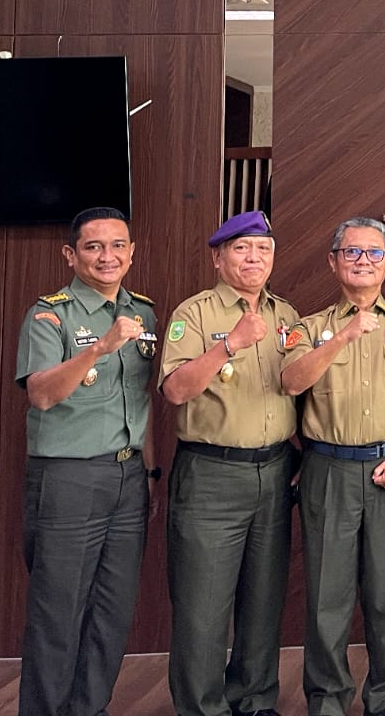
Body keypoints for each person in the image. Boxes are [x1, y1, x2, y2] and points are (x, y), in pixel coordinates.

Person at [281, 217, 385, 716]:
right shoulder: (310, 327)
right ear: (333, 262)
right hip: (328, 470)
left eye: (374, 253)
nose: (363, 261)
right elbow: (291, 383)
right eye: (351, 252)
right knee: (326, 597)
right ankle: (328, 698)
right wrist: (344, 336)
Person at [15, 206, 158, 716]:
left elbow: (141, 399)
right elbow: (41, 394)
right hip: (69, 478)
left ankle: (90, 709)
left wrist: (150, 472)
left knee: (110, 614)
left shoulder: (144, 313)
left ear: (132, 253)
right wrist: (98, 349)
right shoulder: (50, 314)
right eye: (94, 246)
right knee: (58, 613)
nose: (107, 256)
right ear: (70, 255)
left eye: (118, 245)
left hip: (128, 476)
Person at [160, 209, 299, 716]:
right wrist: (229, 345)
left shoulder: (287, 315)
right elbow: (176, 390)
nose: (254, 257)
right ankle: (202, 708)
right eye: (241, 248)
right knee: (202, 606)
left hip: (276, 471)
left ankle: (255, 700)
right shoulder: (195, 314)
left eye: (263, 249)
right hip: (211, 475)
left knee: (263, 599)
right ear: (218, 259)